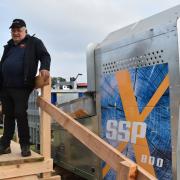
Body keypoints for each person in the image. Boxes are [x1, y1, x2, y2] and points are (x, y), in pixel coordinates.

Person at [0, 19, 51, 157]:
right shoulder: (9, 46)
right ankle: (5, 145)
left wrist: (44, 67)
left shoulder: (34, 42)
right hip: (5, 87)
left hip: (22, 85)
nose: (16, 33)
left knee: (20, 113)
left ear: (25, 30)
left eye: (19, 30)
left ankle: (25, 145)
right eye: (13, 30)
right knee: (8, 114)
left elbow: (45, 56)